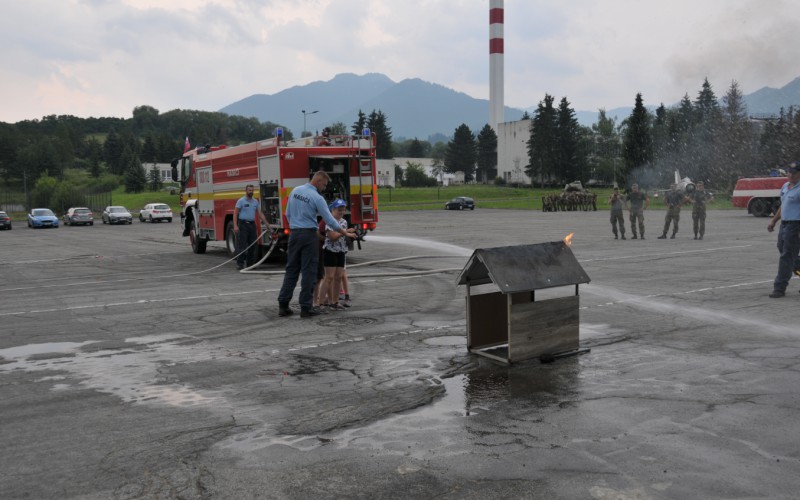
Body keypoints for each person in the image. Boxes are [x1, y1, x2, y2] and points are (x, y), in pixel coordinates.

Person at [277, 171, 349, 317]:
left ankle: (283, 305)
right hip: (309, 235)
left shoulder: (295, 191)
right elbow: (329, 220)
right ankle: (306, 307)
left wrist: (296, 227)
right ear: (318, 181)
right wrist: (344, 232)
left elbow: (288, 214)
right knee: (309, 271)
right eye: (324, 184)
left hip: (295, 234)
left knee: (292, 269)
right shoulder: (317, 197)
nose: (325, 188)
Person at [766, 162, 800, 298]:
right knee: (786, 252)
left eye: (794, 172)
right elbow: (783, 205)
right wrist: (774, 220)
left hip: (796, 225)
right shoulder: (785, 187)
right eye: (789, 172)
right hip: (785, 224)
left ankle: (779, 287)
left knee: (786, 256)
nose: (791, 175)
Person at [320, 199, 356, 310]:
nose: (341, 212)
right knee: (329, 277)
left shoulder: (344, 222)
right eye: (339, 210)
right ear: (333, 209)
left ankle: (334, 303)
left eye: (343, 210)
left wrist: (348, 234)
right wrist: (345, 232)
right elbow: (332, 237)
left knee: (338, 277)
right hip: (330, 251)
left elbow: (342, 236)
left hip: (341, 251)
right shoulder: (330, 221)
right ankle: (320, 303)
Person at [233, 184, 270, 270]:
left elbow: (260, 214)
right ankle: (240, 263)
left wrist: (267, 225)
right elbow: (235, 214)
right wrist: (235, 225)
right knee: (242, 245)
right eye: (249, 190)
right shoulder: (241, 201)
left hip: (252, 225)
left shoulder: (255, 202)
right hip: (243, 224)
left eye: (252, 190)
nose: (251, 192)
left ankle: (250, 264)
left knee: (253, 245)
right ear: (246, 191)